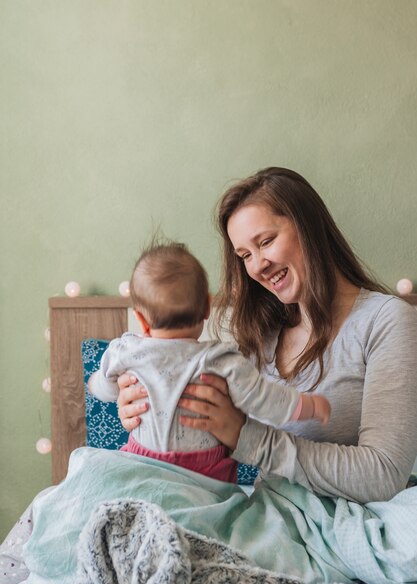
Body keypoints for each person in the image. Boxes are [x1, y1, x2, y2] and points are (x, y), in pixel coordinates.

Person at [117, 167, 417, 503]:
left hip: (344, 517)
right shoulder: (263, 336)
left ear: (308, 228)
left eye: (266, 242)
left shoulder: (387, 321)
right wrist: (149, 406)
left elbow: (383, 474)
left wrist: (245, 436)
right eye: (245, 255)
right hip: (268, 515)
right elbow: (213, 438)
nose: (257, 265)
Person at [89, 241, 330, 483]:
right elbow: (263, 399)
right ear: (207, 307)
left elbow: (103, 387)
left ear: (140, 319)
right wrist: (307, 406)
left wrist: (99, 385)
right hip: (206, 472)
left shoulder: (125, 351)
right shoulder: (220, 360)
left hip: (143, 464)